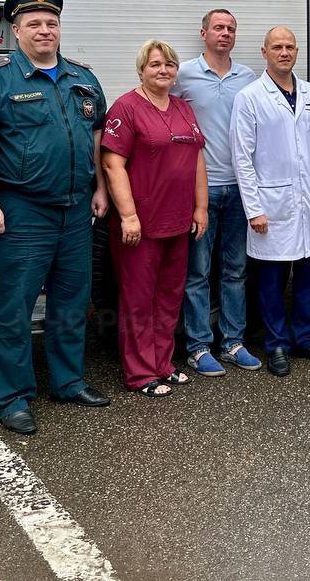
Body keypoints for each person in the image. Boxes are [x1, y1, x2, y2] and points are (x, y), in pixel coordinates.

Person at [0, 0, 111, 435]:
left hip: (76, 210)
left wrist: (100, 189)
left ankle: (68, 381)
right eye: (34, 23)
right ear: (16, 28)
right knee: (14, 306)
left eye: (51, 22)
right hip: (23, 210)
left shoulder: (83, 78)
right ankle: (13, 398)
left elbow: (97, 139)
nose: (44, 30)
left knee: (71, 302)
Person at [102, 41, 210, 397]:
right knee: (138, 299)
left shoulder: (183, 108)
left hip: (178, 222)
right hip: (141, 226)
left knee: (169, 296)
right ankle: (139, 373)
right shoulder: (126, 108)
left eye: (169, 64)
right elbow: (112, 164)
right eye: (155, 65)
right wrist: (128, 216)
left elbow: (196, 160)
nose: (163, 70)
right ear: (141, 70)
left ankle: (163, 364)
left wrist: (200, 208)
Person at [231, 26, 310, 377]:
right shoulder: (250, 97)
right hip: (270, 206)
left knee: (309, 278)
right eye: (277, 47)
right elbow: (242, 158)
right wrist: (254, 208)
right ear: (264, 52)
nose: (284, 52)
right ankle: (276, 343)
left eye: (290, 46)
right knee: (272, 280)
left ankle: (305, 338)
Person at [172, 9, 260, 376]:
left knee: (236, 271)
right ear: (203, 32)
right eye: (218, 28)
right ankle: (197, 346)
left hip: (241, 189)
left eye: (231, 29)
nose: (224, 33)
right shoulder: (184, 75)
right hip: (200, 191)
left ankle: (233, 342)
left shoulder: (248, 77)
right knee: (198, 272)